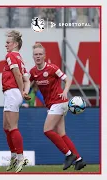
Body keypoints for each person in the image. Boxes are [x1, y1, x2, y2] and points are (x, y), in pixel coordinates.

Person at [29, 43, 86, 171]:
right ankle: (79, 160)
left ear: (44, 56)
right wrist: (24, 90)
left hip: (59, 102)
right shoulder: (33, 71)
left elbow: (67, 80)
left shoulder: (52, 68)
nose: (38, 56)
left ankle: (69, 155)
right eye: (36, 54)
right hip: (52, 104)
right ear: (33, 57)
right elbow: (27, 81)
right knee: (62, 134)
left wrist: (65, 91)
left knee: (47, 130)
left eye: (40, 54)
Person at [2, 30, 31, 173]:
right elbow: (27, 79)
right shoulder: (20, 58)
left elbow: (18, 75)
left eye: (8, 42)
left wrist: (20, 91)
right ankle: (14, 156)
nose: (5, 45)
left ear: (15, 44)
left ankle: (20, 157)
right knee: (6, 126)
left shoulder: (11, 55)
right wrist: (25, 91)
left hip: (13, 92)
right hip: (13, 92)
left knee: (12, 127)